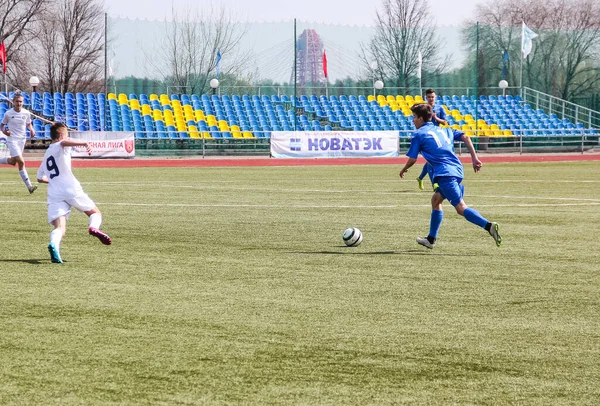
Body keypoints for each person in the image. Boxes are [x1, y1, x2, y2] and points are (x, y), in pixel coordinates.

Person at [399, 103, 501, 249]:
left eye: (414, 117)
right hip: (457, 170)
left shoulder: (418, 135)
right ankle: (431, 239)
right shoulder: (444, 130)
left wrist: (404, 169)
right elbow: (465, 136)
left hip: (445, 174)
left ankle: (489, 225)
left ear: (421, 118)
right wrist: (474, 158)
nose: (412, 120)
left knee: (460, 208)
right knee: (435, 200)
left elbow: (413, 159)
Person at [36, 122, 112, 264]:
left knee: (60, 227)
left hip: (54, 193)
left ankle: (53, 245)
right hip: (70, 188)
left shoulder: (47, 154)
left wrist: (54, 181)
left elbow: (40, 178)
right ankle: (93, 228)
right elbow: (64, 143)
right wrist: (84, 143)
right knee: (95, 213)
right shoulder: (60, 144)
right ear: (61, 135)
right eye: (66, 134)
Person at [0, 93, 38, 193]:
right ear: (13, 102)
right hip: (12, 139)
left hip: (22, 139)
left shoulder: (26, 113)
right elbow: (2, 125)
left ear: (23, 102)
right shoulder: (8, 113)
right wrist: (4, 131)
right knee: (21, 162)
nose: (19, 103)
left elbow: (28, 123)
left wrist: (32, 129)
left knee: (13, 162)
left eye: (20, 101)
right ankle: (30, 187)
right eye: (17, 101)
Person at [416, 88, 447, 190]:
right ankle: (434, 183)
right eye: (429, 97)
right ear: (426, 97)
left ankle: (420, 178)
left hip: (436, 136)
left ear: (435, 97)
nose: (431, 98)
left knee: (431, 160)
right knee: (430, 160)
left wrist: (435, 118)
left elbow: (444, 122)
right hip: (427, 136)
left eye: (432, 97)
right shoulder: (424, 108)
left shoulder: (440, 108)